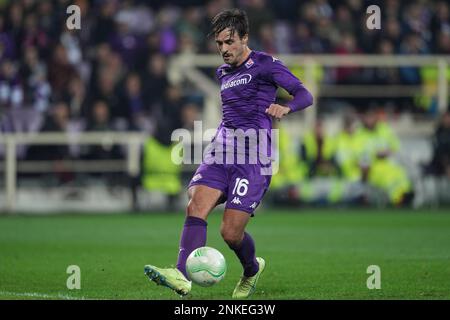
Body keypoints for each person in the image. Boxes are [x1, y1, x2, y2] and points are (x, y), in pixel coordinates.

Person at [144, 8, 313, 298]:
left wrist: (286, 107)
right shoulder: (222, 72)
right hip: (222, 150)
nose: (223, 49)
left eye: (229, 42)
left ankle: (251, 269)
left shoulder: (266, 64)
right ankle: (181, 275)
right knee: (196, 202)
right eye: (219, 44)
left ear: (244, 37)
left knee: (230, 233)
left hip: (253, 157)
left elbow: (304, 94)